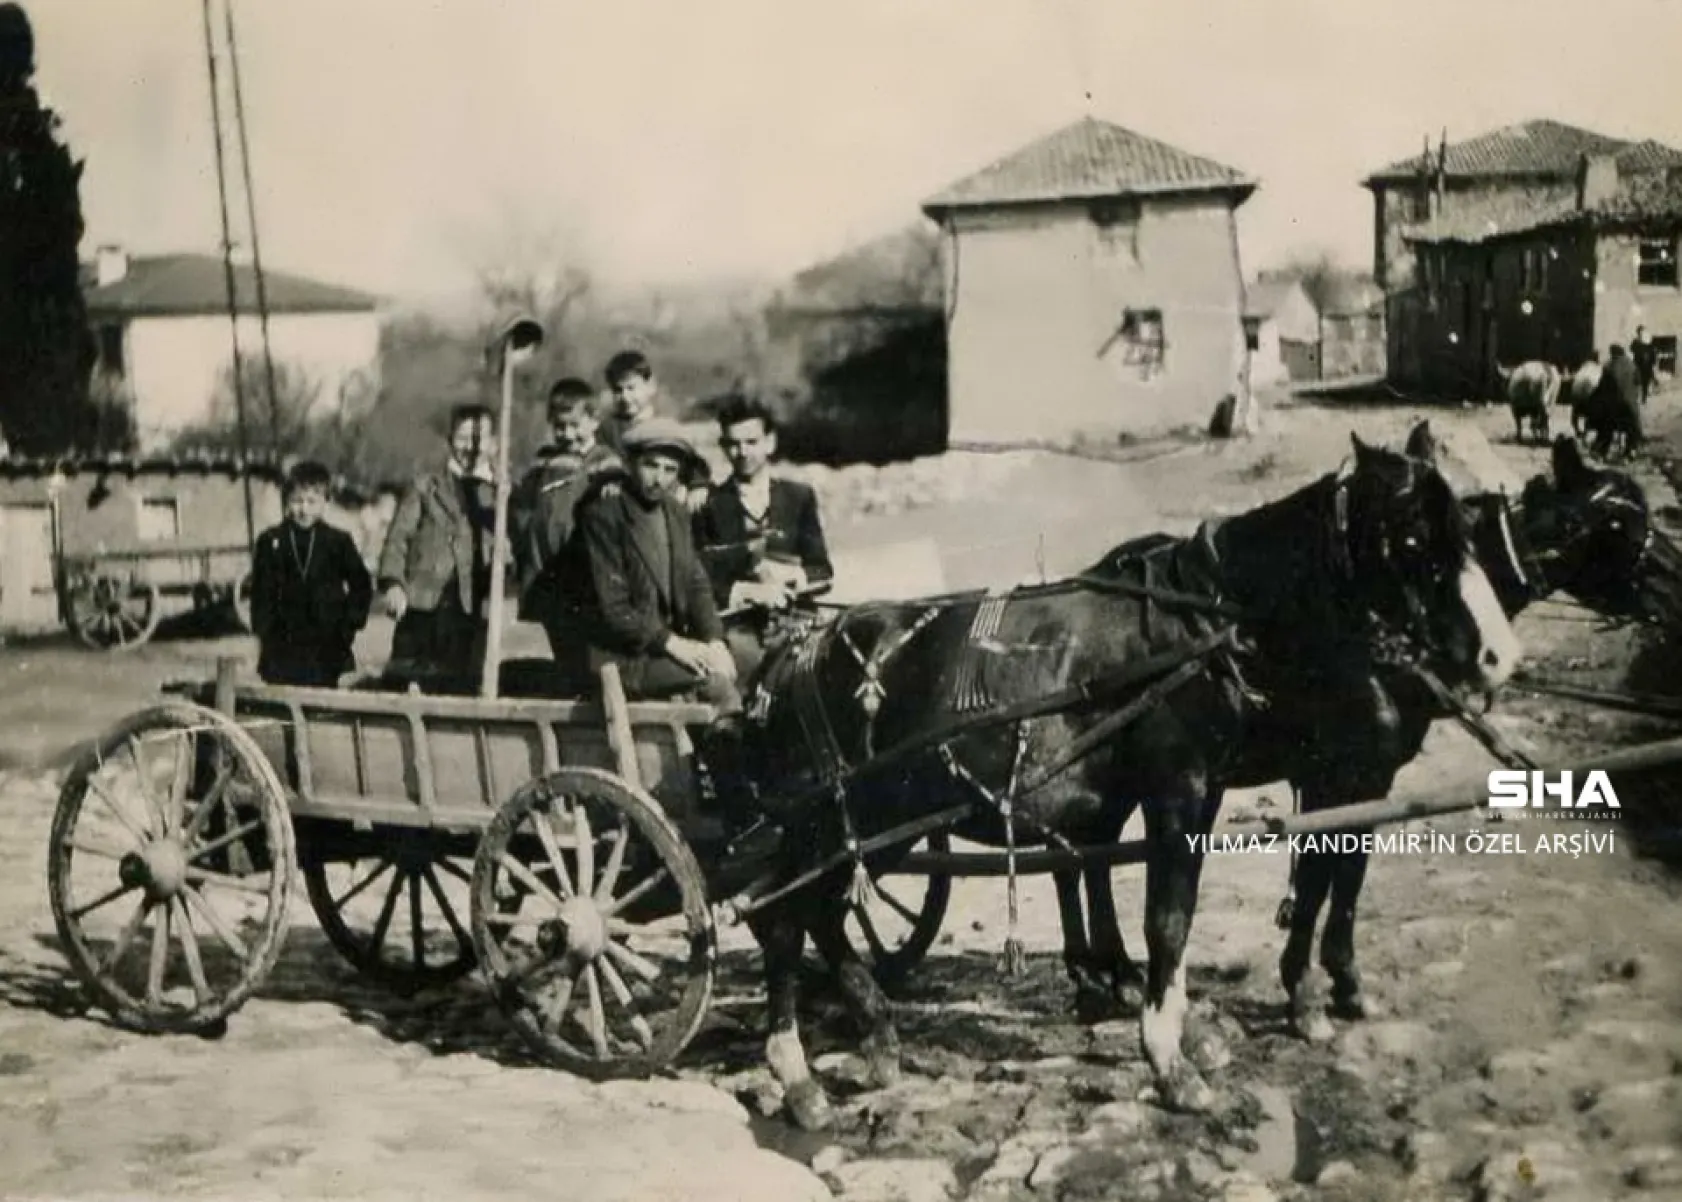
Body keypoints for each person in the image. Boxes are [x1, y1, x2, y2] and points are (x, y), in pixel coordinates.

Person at [553, 416, 741, 713]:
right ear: (630, 464)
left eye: (670, 470)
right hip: (621, 658)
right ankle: (728, 756)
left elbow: (695, 581)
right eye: (651, 465)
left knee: (741, 662)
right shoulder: (604, 516)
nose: (660, 479)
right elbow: (614, 610)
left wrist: (714, 639)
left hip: (661, 647)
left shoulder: (675, 513)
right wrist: (675, 645)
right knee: (718, 687)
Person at [693, 395, 833, 685]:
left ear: (770, 443)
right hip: (739, 629)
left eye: (752, 442)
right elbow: (697, 580)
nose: (743, 452)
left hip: (796, 621)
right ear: (723, 448)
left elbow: (822, 570)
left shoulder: (799, 496)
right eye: (733, 444)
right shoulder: (709, 504)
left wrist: (792, 577)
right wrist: (746, 591)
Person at [376, 403, 507, 688]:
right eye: (462, 439)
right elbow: (398, 538)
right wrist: (393, 583)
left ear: (495, 444)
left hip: (471, 608)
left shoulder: (501, 493)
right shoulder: (425, 486)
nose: (470, 448)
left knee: (462, 684)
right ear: (449, 440)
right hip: (423, 607)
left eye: (479, 439)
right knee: (406, 680)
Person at [512, 376, 622, 656]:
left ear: (594, 421)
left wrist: (612, 486)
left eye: (575, 426)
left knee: (584, 636)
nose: (567, 434)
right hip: (543, 562)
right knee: (557, 633)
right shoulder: (544, 462)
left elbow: (617, 493)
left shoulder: (603, 461)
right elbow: (522, 504)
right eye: (559, 427)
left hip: (578, 567)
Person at [250, 460, 373, 686]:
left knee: (323, 709)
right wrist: (264, 631)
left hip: (327, 647)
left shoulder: (338, 541)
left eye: (311, 501)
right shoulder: (271, 541)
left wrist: (347, 626)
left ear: (325, 502)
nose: (303, 509)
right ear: (286, 501)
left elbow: (362, 586)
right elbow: (260, 594)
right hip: (282, 649)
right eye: (297, 501)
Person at [600, 349, 711, 507]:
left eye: (631, 388)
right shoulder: (608, 428)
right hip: (628, 501)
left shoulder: (666, 424)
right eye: (618, 390)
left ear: (650, 386)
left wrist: (698, 485)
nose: (625, 397)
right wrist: (610, 479)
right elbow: (602, 460)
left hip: (666, 498)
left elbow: (693, 462)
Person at [1632, 325, 1658, 405]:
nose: (1641, 333)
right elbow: (1632, 349)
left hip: (1647, 365)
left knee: (1645, 382)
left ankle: (1644, 398)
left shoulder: (1647, 340)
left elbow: (1652, 350)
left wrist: (1653, 360)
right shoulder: (1636, 341)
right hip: (1638, 364)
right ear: (1638, 332)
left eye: (1642, 331)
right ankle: (1636, 398)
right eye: (1640, 331)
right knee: (1636, 381)